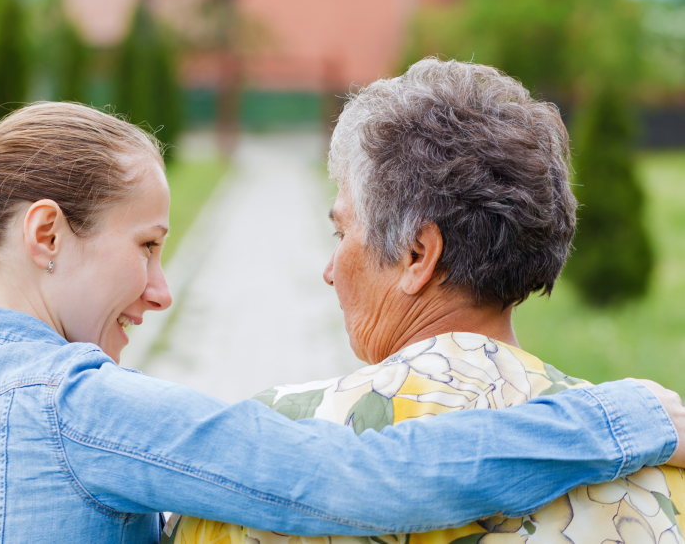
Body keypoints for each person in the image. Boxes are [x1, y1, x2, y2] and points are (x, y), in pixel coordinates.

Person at [0, 102, 681, 544]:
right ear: (46, 233)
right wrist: (625, 416)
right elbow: (355, 477)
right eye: (149, 245)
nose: (160, 290)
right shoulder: (73, 407)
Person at [166, 59, 685, 544]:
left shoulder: (270, 450)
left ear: (418, 253)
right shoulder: (659, 465)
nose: (329, 272)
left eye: (341, 233)